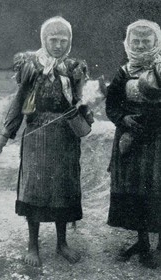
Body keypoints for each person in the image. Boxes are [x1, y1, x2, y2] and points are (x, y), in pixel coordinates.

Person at [0, 16, 93, 266]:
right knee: (35, 189)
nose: (58, 45)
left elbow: (80, 100)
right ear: (43, 39)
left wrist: (83, 108)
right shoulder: (31, 66)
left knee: (64, 189)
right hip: (37, 137)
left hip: (67, 137)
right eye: (53, 39)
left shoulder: (74, 68)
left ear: (69, 42)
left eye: (63, 40)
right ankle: (33, 245)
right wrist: (3, 137)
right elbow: (18, 101)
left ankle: (62, 244)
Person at [106, 19, 161, 269]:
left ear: (156, 42)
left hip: (157, 140)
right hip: (130, 138)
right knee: (136, 191)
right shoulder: (124, 72)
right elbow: (111, 106)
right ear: (128, 43)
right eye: (135, 41)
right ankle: (143, 243)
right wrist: (124, 119)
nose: (140, 45)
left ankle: (159, 245)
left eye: (146, 41)